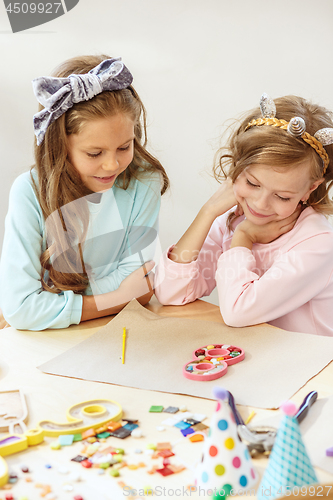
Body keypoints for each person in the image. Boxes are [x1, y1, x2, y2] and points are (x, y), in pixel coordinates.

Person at [0, 54, 169, 330]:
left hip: (114, 331)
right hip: (43, 344)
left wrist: (49, 301)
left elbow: (142, 283)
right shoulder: (28, 192)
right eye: (94, 153)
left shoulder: (143, 182)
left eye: (124, 147)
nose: (112, 164)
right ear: (60, 146)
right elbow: (20, 309)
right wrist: (118, 296)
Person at [155, 94, 333, 336]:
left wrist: (243, 239)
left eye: (282, 197)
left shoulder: (317, 243)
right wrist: (207, 213)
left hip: (315, 368)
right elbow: (170, 292)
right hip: (260, 354)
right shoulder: (233, 218)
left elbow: (238, 312)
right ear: (237, 166)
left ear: (310, 189)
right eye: (252, 183)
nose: (260, 204)